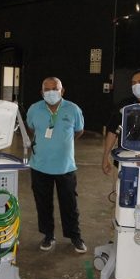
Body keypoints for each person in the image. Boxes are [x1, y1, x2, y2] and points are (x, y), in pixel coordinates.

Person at [26, 77, 86, 253]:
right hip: (39, 166)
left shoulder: (73, 109)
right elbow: (31, 128)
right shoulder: (34, 109)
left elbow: (79, 131)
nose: (51, 92)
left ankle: (75, 236)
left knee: (69, 205)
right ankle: (48, 235)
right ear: (41, 92)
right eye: (47, 89)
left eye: (55, 88)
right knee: (43, 204)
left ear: (62, 91)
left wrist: (63, 144)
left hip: (65, 166)